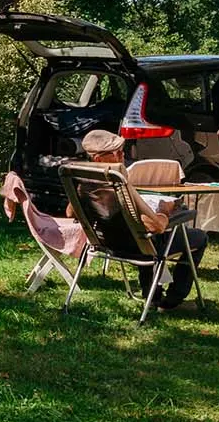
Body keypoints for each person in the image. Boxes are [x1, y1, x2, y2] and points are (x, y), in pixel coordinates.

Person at [78, 128, 204, 309]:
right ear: (99, 159)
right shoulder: (119, 184)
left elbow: (70, 212)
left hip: (106, 243)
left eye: (123, 151)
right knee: (198, 237)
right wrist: (165, 211)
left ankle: (152, 296)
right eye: (117, 153)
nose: (123, 156)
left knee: (140, 235)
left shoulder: (82, 183)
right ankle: (173, 300)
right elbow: (157, 226)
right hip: (138, 247)